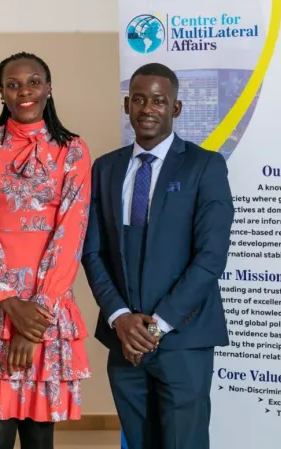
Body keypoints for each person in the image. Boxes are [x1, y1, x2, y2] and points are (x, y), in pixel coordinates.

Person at [82, 63, 233, 449]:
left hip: (183, 339)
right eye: (138, 99)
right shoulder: (105, 168)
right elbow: (93, 251)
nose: (147, 108)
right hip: (124, 341)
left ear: (175, 108)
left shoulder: (205, 166)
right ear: (127, 105)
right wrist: (120, 317)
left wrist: (157, 326)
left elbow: (211, 257)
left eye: (159, 101)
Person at [0, 52, 92, 449]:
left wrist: (35, 318)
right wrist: (10, 303)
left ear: (48, 88)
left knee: (39, 434)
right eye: (13, 84)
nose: (24, 91)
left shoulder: (73, 151)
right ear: (1, 92)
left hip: (48, 306)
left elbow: (71, 232)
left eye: (33, 82)